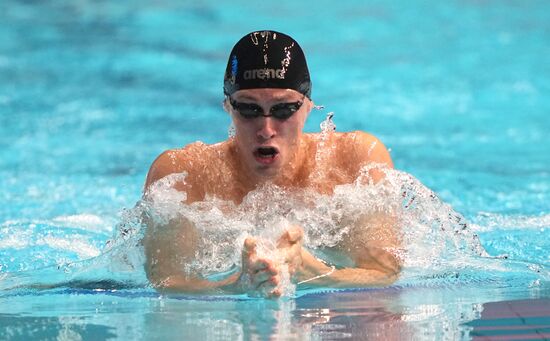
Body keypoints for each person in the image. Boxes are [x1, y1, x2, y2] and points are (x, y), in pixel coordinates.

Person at [142, 30, 401, 297]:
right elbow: (166, 282)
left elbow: (385, 273)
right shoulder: (183, 177)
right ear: (228, 107)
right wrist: (233, 285)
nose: (266, 129)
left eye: (283, 109)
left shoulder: (355, 161)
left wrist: (314, 273)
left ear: (308, 106)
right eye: (249, 109)